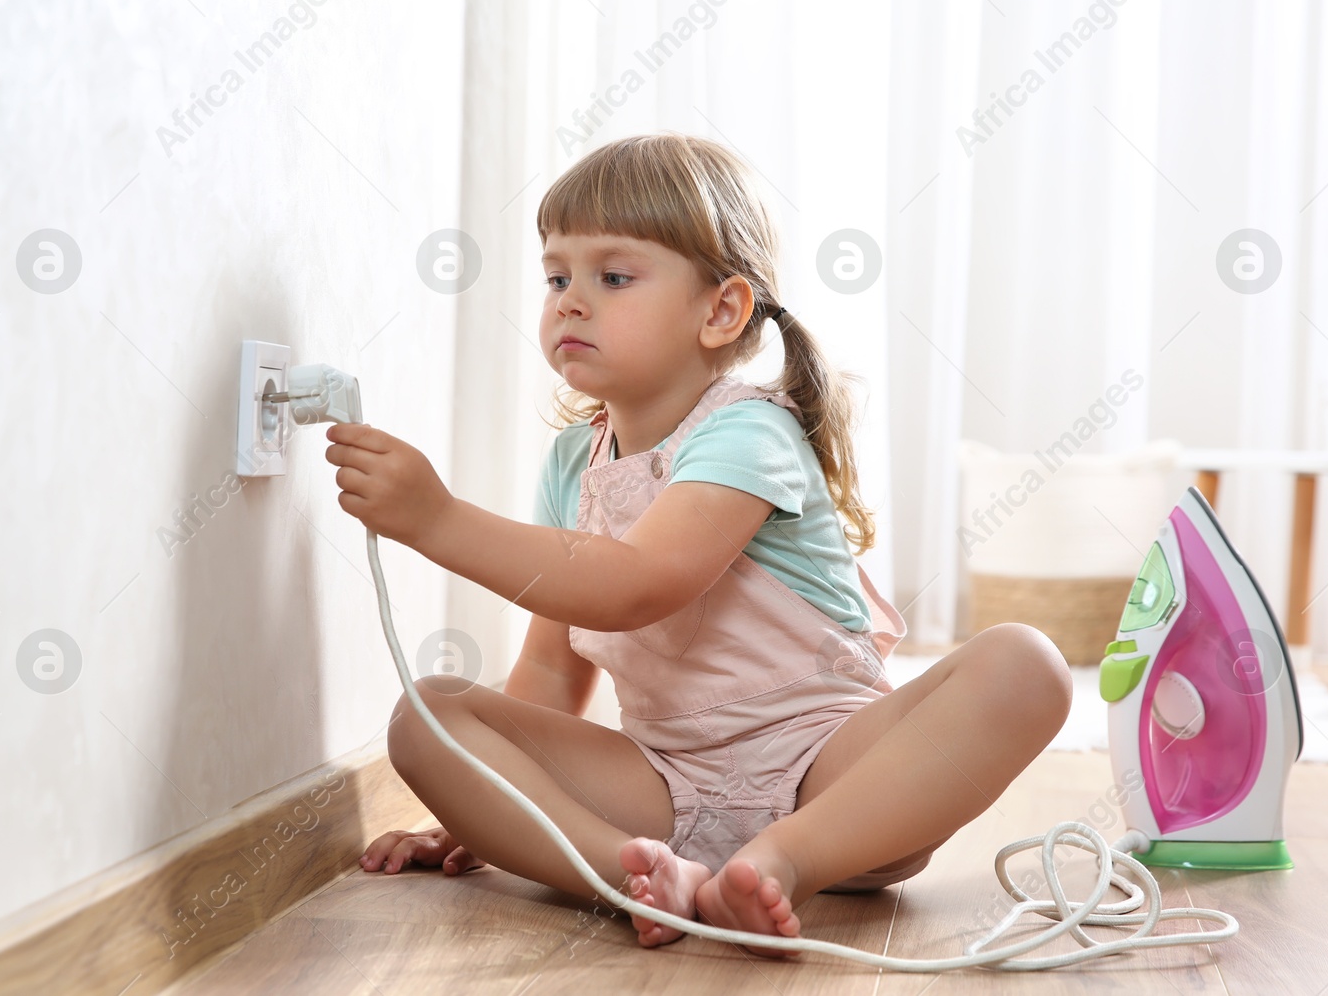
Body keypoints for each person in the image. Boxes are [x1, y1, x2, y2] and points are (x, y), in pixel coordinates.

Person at [325, 132, 1072, 957]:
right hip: (664, 789)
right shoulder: (576, 463)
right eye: (556, 275)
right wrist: (492, 802)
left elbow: (639, 582)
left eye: (613, 276)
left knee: (1026, 661)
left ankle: (785, 860)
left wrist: (437, 520)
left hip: (835, 775)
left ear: (721, 310)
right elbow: (549, 670)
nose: (571, 299)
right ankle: (636, 871)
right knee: (425, 713)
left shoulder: (750, 430)